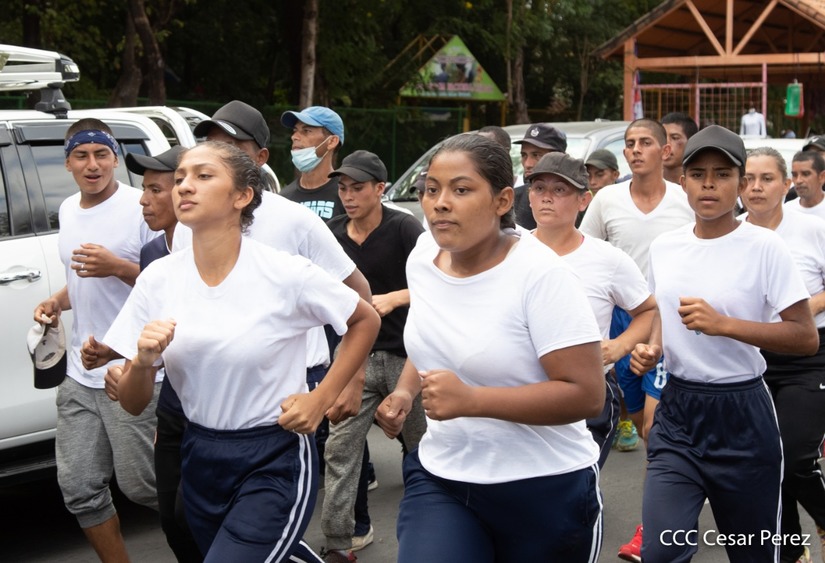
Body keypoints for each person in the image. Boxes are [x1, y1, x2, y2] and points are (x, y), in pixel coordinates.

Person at [103, 141, 381, 562]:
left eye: (203, 176)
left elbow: (365, 319)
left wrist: (320, 398)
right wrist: (141, 364)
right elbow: (131, 402)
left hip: (274, 454)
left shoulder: (283, 272)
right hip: (200, 455)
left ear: (241, 196)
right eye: (179, 178)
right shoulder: (158, 279)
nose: (184, 187)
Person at [376, 133, 605, 562]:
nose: (440, 203)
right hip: (443, 475)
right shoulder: (423, 258)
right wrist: (406, 393)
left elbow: (586, 394)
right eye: (431, 190)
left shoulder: (541, 276)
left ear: (502, 201)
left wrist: (473, 400)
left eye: (461, 190)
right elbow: (432, 338)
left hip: (544, 487)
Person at [633, 125, 818, 562]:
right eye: (698, 174)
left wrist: (726, 325)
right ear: (683, 181)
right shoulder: (665, 247)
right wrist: (653, 348)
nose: (709, 184)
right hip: (679, 410)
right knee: (660, 551)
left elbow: (805, 337)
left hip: (743, 413)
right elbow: (661, 313)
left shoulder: (765, 247)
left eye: (722, 174)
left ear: (740, 181)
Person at [32, 118, 160, 562]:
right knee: (80, 488)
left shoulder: (140, 207)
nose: (93, 164)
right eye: (82, 156)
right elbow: (80, 277)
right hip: (79, 375)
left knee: (145, 485)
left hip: (129, 371)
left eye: (101, 154)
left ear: (115, 159)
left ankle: (226, 543)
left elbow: (171, 286)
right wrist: (55, 301)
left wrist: (119, 266)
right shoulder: (68, 210)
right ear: (67, 163)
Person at [579, 118, 694, 562]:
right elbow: (580, 251)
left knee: (654, 426)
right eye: (629, 144)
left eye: (645, 142)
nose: (635, 150)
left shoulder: (686, 200)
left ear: (665, 151)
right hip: (620, 322)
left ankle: (655, 526)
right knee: (626, 415)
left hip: (667, 320)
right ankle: (685, 486)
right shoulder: (607, 199)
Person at [321, 150, 427, 563]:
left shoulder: (404, 228)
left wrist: (396, 298)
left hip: (408, 359)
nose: (348, 196)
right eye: (342, 188)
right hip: (353, 361)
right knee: (339, 448)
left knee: (423, 450)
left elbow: (441, 283)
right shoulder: (331, 233)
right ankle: (338, 541)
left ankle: (431, 530)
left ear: (380, 189)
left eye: (358, 187)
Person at [528, 152, 656, 469]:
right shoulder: (508, 250)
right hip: (521, 392)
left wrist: (619, 346)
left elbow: (649, 310)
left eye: (559, 191)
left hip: (587, 394)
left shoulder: (607, 258)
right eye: (539, 188)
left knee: (575, 486)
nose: (547, 198)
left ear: (584, 200)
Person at [741, 146, 825, 563]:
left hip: (809, 356)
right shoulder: (730, 232)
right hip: (751, 360)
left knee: (794, 457)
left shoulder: (811, 228)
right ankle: (792, 550)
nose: (756, 187)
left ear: (786, 184)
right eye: (748, 179)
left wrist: (805, 309)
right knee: (766, 462)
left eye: (767, 178)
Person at [280, 105, 347, 220]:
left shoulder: (347, 196)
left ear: (331, 141)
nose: (294, 137)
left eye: (306, 131)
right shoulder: (284, 198)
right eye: (295, 130)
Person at [512, 123, 567, 230]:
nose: (528, 164)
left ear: (559, 158)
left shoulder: (575, 200)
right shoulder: (513, 199)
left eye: (536, 155)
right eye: (524, 155)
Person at [661, 112, 698, 184]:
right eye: (662, 137)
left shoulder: (700, 186)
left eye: (675, 138)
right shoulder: (644, 186)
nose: (666, 144)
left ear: (691, 142)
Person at [788, 150, 825, 222]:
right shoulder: (786, 211)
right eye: (794, 175)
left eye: (806, 174)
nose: (798, 181)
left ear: (822, 177)